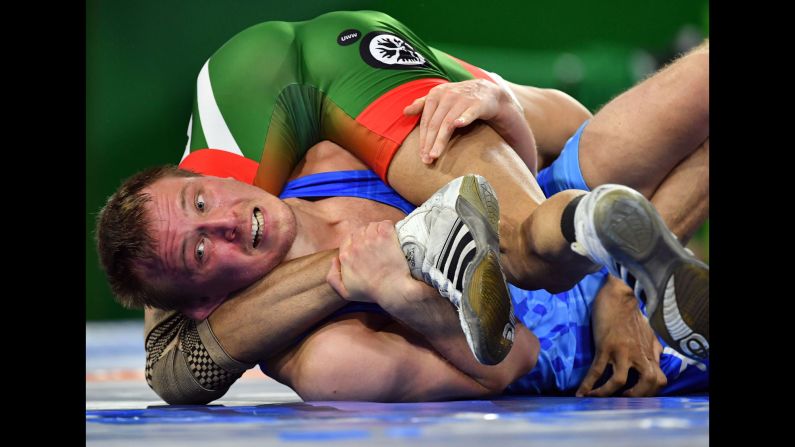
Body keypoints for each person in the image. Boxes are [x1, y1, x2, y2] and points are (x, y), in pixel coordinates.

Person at [96, 11, 708, 402]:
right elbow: (514, 359)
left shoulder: (323, 157)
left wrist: (502, 103)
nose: (226, 221)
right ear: (204, 299)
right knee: (539, 226)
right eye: (201, 249)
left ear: (197, 172)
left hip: (565, 207)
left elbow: (173, 368)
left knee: (525, 237)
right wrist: (398, 295)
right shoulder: (326, 357)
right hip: (574, 327)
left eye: (202, 199)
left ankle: (608, 250)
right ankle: (602, 233)